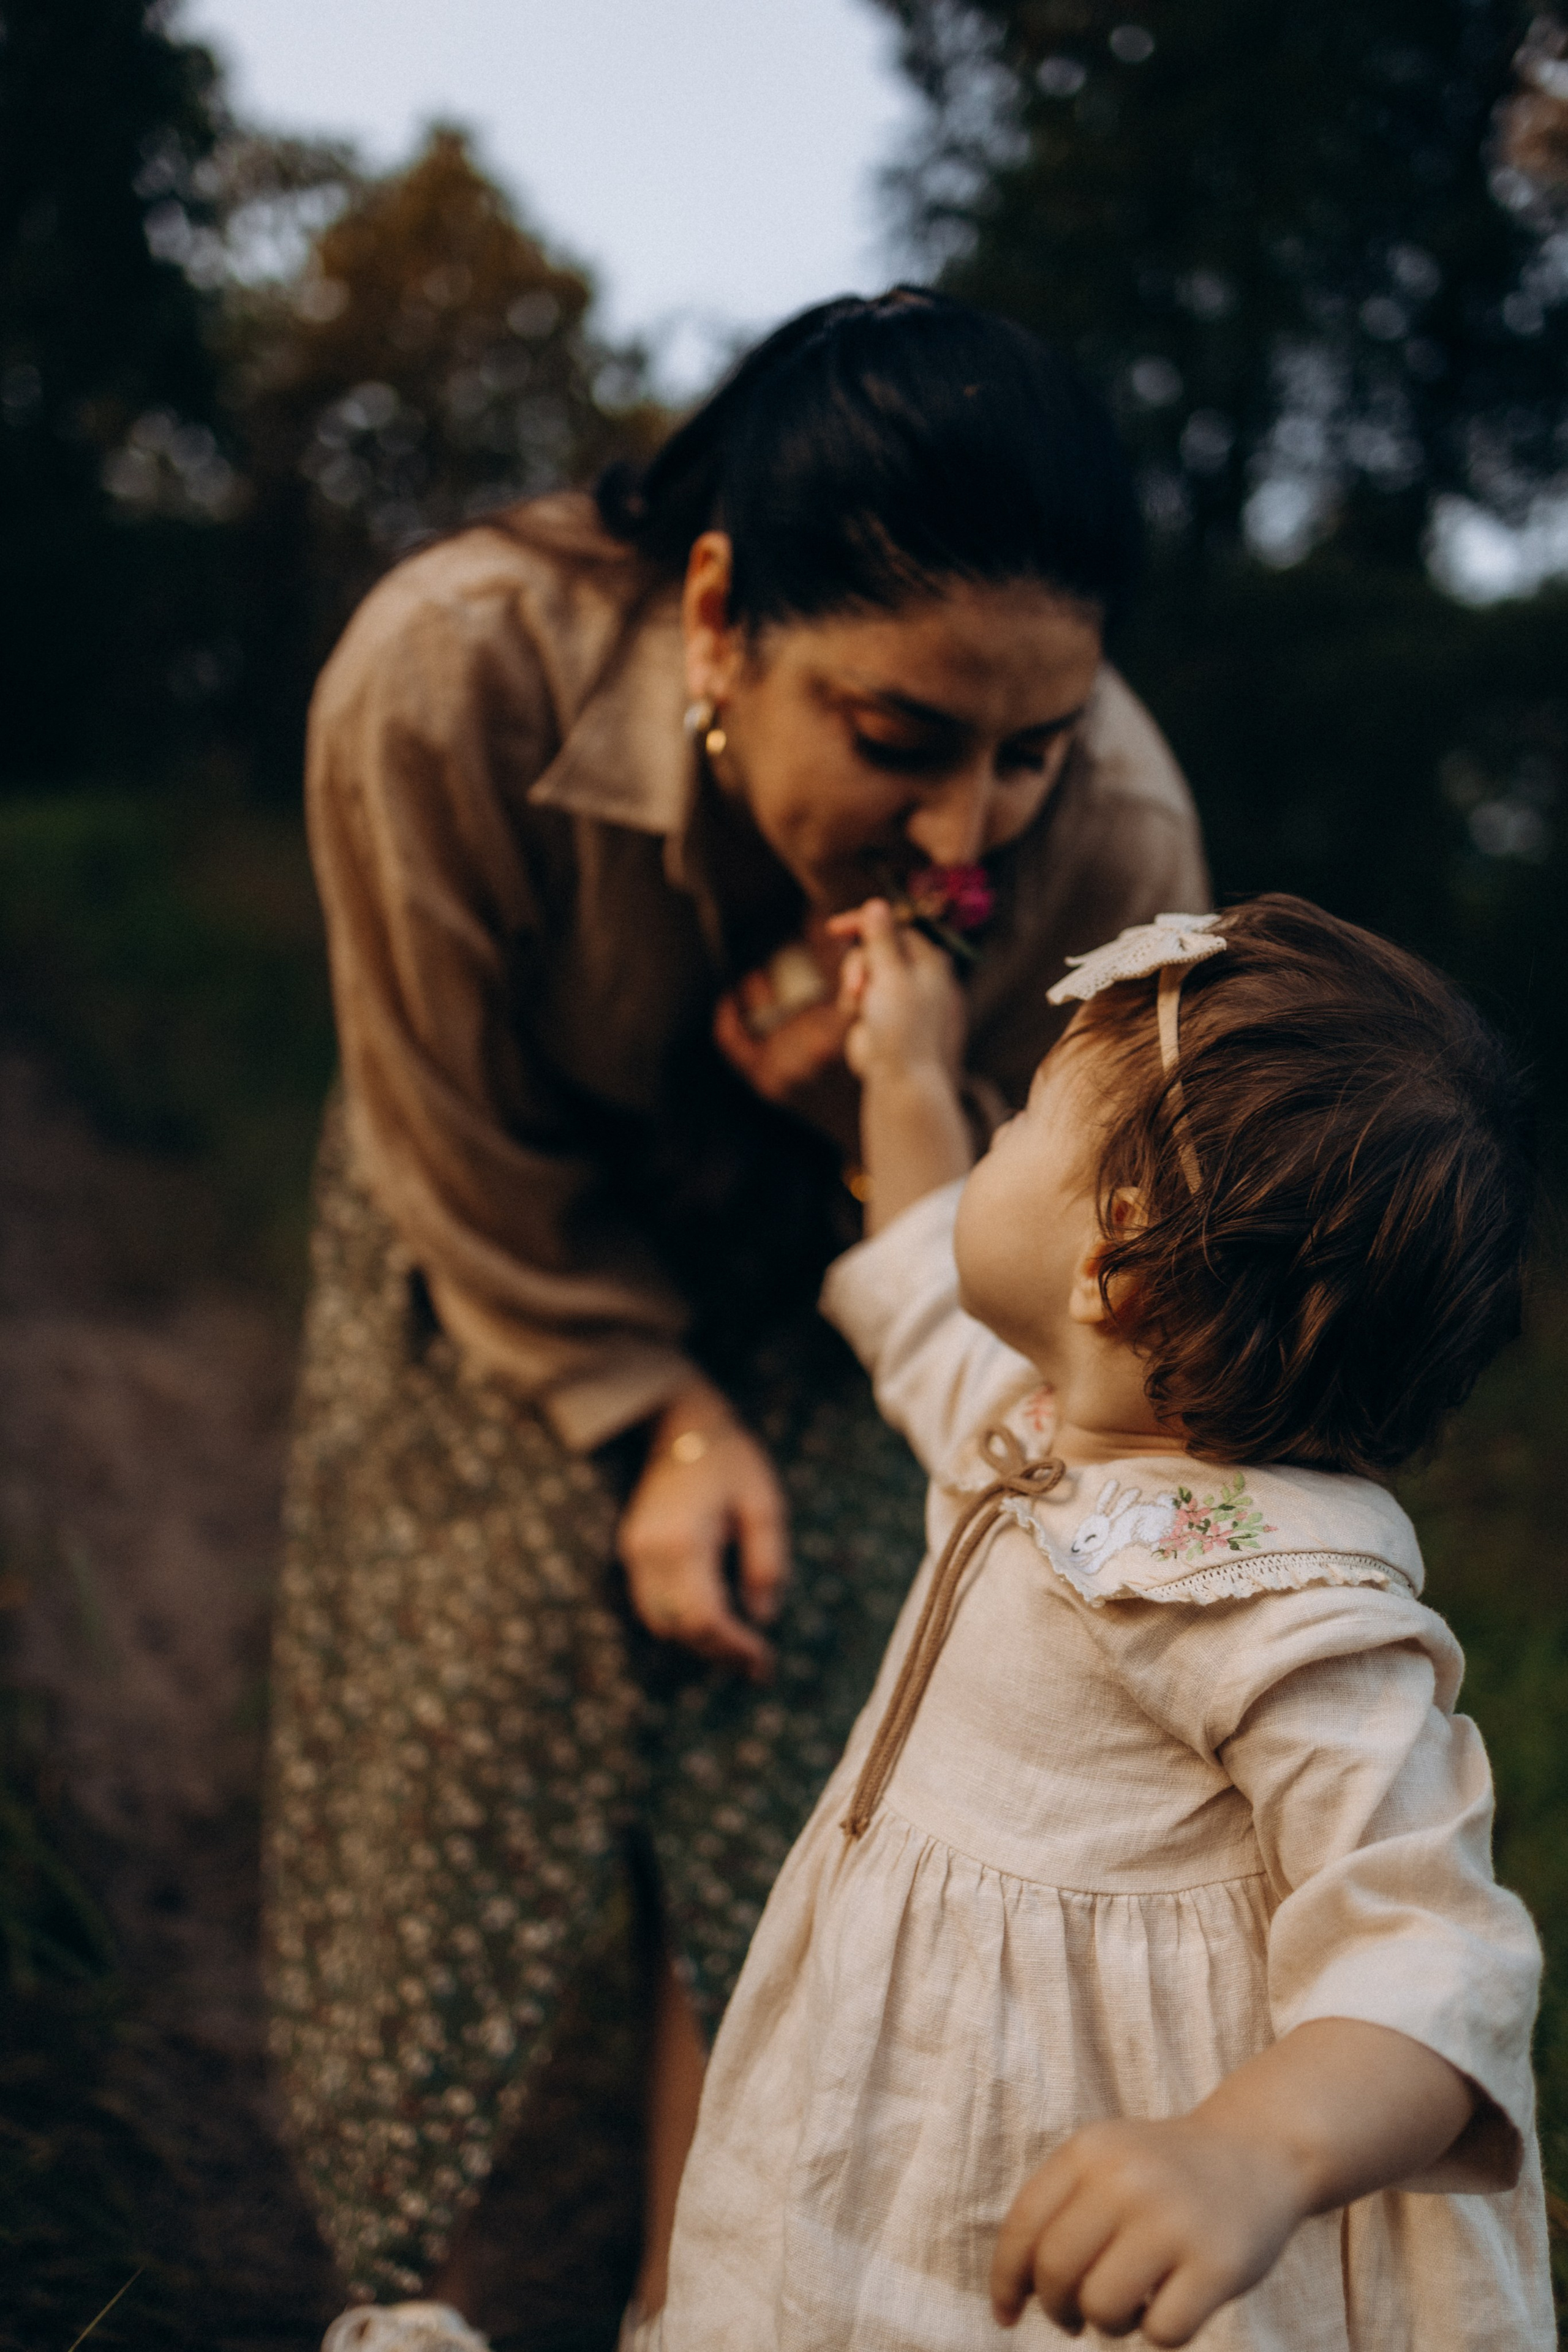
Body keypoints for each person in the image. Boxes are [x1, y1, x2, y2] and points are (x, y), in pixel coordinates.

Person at [264, 288, 1212, 2344]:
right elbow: (438, 1118)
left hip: (875, 1288)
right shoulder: (442, 682)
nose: (973, 834)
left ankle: (701, 2304)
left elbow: (1075, 1304)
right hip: (508, 1238)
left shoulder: (1122, 835)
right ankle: (400, 2268)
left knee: (823, 1762)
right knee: (478, 1712)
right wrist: (647, 1413)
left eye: (1028, 752)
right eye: (899, 742)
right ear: (717, 618)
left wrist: (911, 1131)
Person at [642, 893, 1551, 2350]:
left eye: (1021, 1127)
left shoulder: (1279, 1603)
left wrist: (1248, 2152)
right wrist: (902, 1078)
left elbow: (1434, 1957)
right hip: (896, 2109)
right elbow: (923, 1285)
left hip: (1087, 2163)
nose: (983, 1151)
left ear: (1110, 1249)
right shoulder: (1040, 1430)